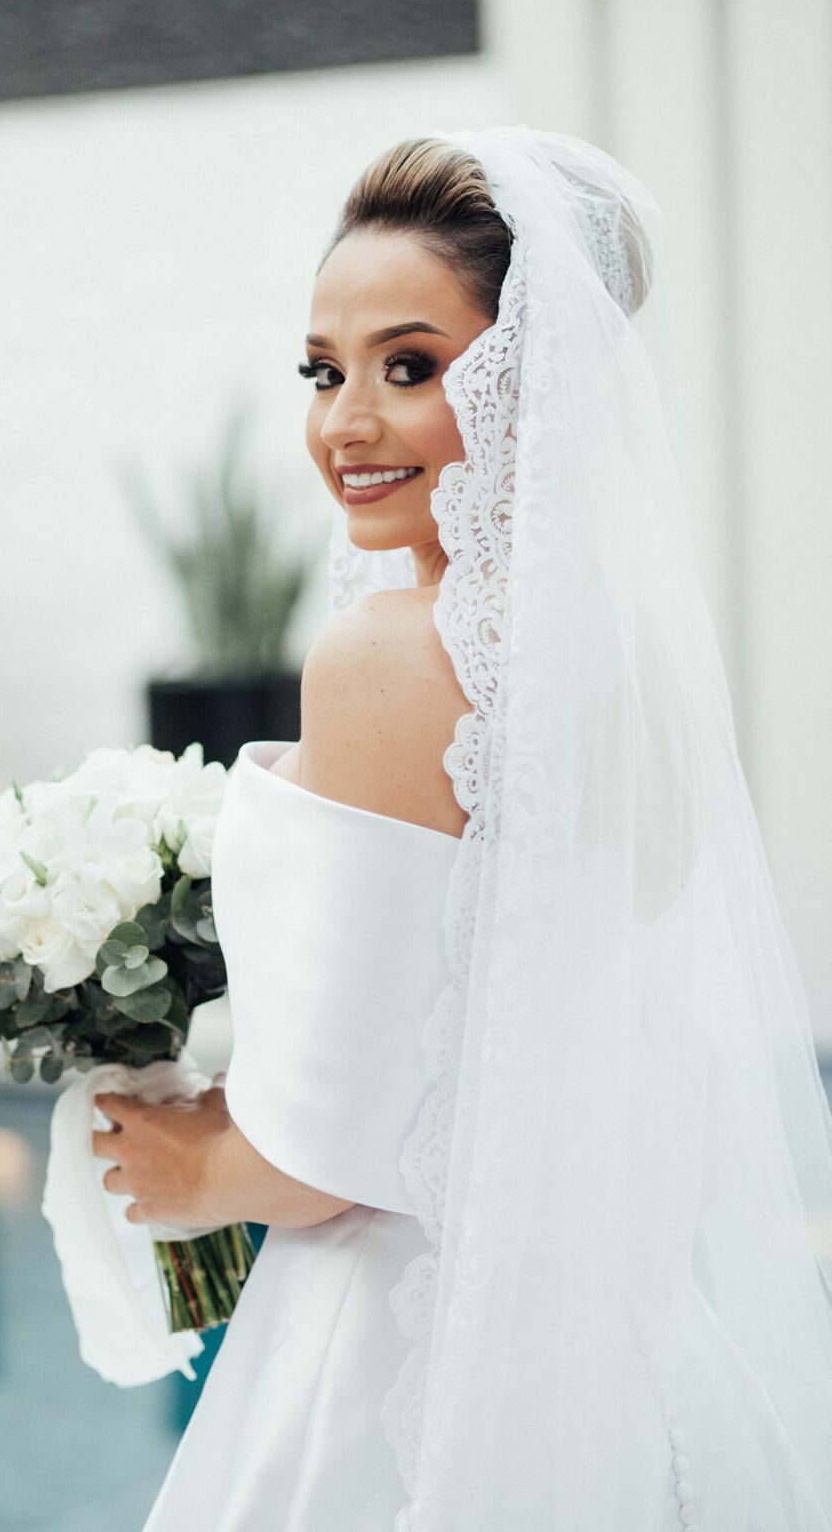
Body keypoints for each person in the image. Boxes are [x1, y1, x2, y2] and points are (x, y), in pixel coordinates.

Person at [91, 127, 832, 1530]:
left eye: (411, 366)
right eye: (324, 370)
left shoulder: (380, 656)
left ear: (522, 384)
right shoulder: (632, 664)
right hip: (623, 1347)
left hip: (405, 1355)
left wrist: (193, 1169)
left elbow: (337, 1149)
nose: (345, 423)